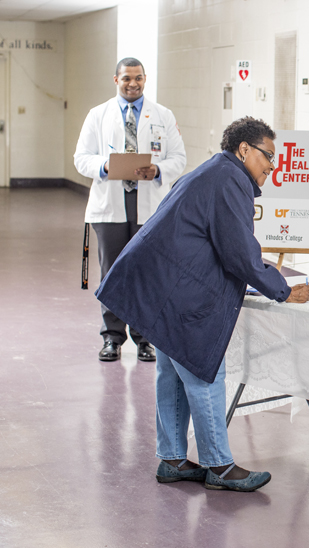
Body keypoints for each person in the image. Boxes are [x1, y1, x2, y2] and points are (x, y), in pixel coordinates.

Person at [96, 117, 309, 492]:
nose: (273, 165)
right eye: (268, 156)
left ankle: (173, 459)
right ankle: (220, 466)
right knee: (201, 373)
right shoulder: (230, 180)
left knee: (171, 372)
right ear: (244, 150)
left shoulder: (215, 172)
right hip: (175, 289)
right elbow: (239, 252)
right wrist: (282, 289)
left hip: (160, 283)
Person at [74, 57, 186, 363]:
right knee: (112, 273)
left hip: (149, 206)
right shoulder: (98, 115)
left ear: (145, 79)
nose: (133, 83)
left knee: (147, 274)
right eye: (126, 79)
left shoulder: (162, 115)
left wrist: (159, 170)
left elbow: (179, 157)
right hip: (110, 207)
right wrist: (105, 165)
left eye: (138, 78)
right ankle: (112, 338)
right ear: (116, 80)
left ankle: (144, 338)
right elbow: (80, 158)